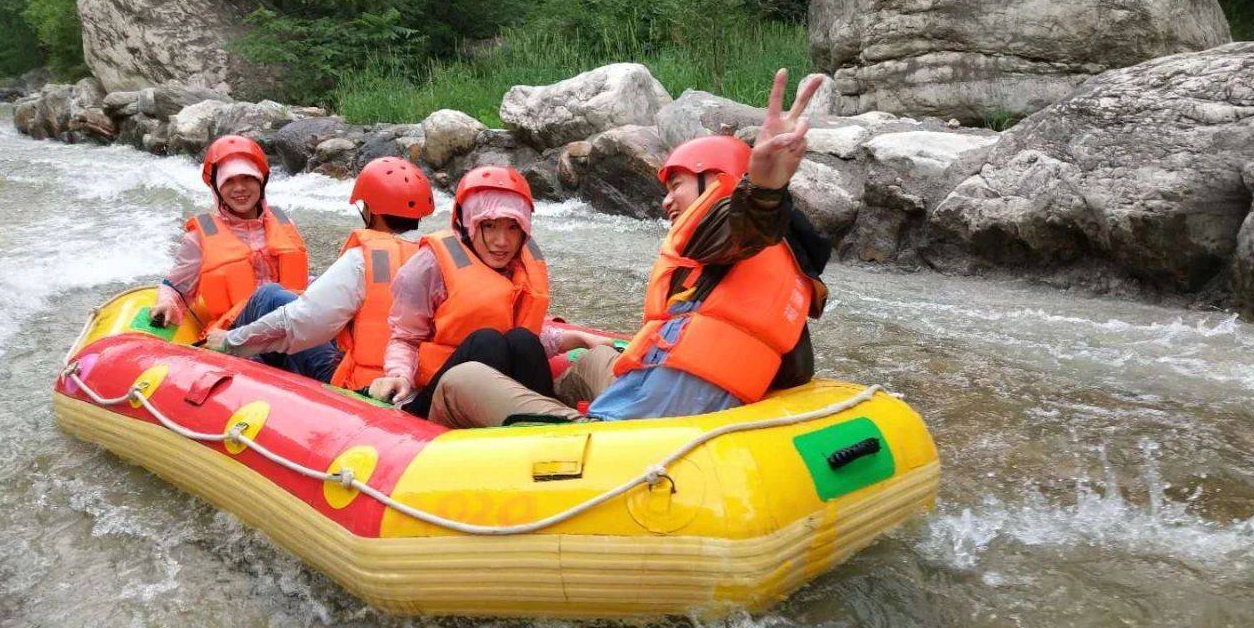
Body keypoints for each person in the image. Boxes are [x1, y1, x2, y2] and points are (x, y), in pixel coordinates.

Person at [425, 68, 831, 430]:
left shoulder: (731, 233)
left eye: (676, 186)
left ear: (719, 184)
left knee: (461, 382)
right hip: (657, 400)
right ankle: (543, 411)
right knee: (591, 362)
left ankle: (536, 435)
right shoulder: (781, 252)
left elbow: (748, 226)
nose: (666, 201)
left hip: (626, 434)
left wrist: (764, 188)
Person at [366, 165, 610, 417]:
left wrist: (580, 339)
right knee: (486, 341)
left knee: (522, 341)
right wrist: (399, 376)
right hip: (440, 397)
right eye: (489, 226)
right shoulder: (429, 266)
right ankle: (552, 422)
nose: (502, 241)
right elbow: (405, 338)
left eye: (512, 227)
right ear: (466, 223)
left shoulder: (520, 265)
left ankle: (551, 422)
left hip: (500, 400)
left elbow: (524, 334)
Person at [204, 157, 435, 387]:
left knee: (269, 296)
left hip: (358, 386)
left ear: (369, 210)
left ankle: (223, 365)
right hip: (412, 383)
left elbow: (297, 324)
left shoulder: (362, 261)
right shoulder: (434, 255)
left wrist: (231, 340)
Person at [150, 135, 308, 334]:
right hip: (236, 335)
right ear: (216, 187)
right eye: (229, 181)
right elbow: (175, 287)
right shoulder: (198, 239)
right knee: (270, 294)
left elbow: (302, 280)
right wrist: (166, 302)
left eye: (247, 178)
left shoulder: (285, 224)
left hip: (289, 330)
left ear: (261, 181)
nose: (239, 188)